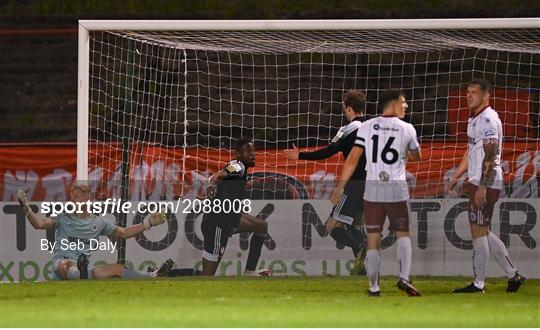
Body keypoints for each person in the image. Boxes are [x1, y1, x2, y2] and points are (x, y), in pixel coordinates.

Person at [330, 89, 422, 296]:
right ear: (393, 104)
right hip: (396, 188)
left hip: (372, 189)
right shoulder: (407, 128)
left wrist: (340, 186)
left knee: (372, 238)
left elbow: (352, 159)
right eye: (404, 102)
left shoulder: (368, 127)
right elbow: (417, 157)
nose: (406, 106)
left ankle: (373, 286)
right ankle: (404, 277)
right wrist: (407, 152)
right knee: (403, 233)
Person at [448, 79, 526, 293]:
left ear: (486, 95)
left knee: (478, 231)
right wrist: (457, 174)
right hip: (477, 180)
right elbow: (471, 149)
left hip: (487, 181)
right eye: (467, 92)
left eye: (473, 92)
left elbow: (490, 154)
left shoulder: (489, 119)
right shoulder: (474, 119)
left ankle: (479, 283)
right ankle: (513, 275)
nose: (468, 96)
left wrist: (482, 186)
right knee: (482, 229)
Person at [285, 89, 368, 275]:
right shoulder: (373, 127)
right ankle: (361, 269)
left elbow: (328, 152)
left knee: (332, 227)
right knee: (353, 226)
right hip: (371, 185)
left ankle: (363, 248)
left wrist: (300, 155)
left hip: (354, 184)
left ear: (348, 108)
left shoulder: (348, 129)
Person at [17, 184, 173, 280]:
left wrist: (149, 223)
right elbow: (39, 224)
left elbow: (124, 232)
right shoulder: (62, 218)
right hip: (61, 266)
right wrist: (27, 208)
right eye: (72, 196)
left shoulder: (98, 222)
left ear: (87, 198)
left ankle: (152, 275)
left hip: (84, 271)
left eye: (77, 196)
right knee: (67, 265)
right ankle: (78, 272)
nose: (73, 199)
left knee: (117, 268)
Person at [201, 138, 271, 276]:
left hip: (230, 220)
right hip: (217, 225)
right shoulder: (238, 166)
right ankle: (168, 275)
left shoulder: (241, 169)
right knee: (207, 276)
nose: (253, 154)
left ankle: (249, 272)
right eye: (248, 151)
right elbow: (218, 175)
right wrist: (211, 183)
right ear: (238, 154)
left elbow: (223, 184)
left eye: (253, 151)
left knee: (261, 226)